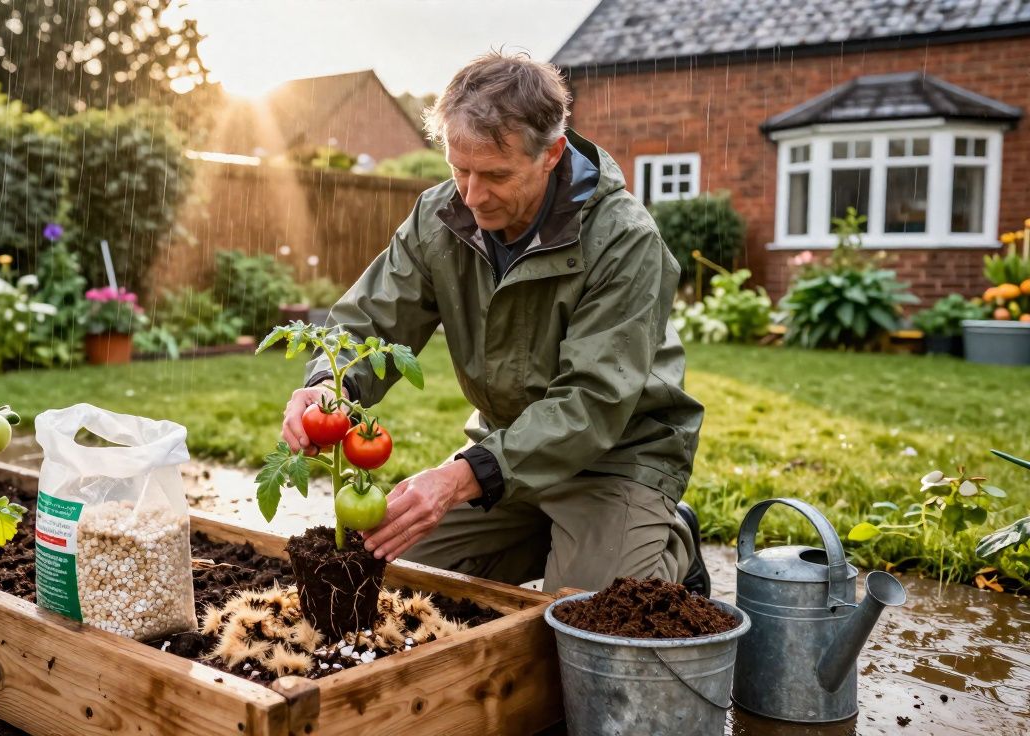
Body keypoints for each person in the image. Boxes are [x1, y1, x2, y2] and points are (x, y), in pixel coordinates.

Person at [278, 51, 709, 596]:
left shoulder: (624, 240)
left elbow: (593, 400)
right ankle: (558, 537)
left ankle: (667, 538)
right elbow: (372, 322)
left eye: (496, 175)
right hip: (506, 452)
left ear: (552, 153)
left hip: (617, 456)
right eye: (460, 169)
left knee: (584, 623)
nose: (472, 196)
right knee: (393, 578)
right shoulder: (439, 218)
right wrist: (324, 389)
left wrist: (464, 477)